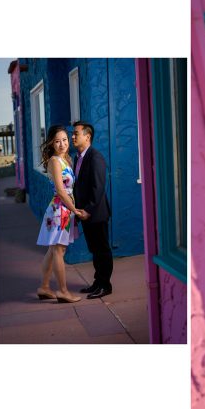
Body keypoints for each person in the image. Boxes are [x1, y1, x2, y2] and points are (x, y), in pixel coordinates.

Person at [36, 125, 82, 303]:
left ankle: (44, 287)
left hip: (64, 209)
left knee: (54, 249)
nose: (62, 144)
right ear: (51, 143)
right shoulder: (55, 161)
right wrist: (75, 210)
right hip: (60, 209)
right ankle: (63, 291)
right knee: (58, 250)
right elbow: (61, 192)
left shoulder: (66, 159)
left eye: (64, 140)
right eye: (57, 141)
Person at [71, 122, 114, 299]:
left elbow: (98, 188)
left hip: (95, 213)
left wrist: (87, 210)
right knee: (95, 250)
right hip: (85, 213)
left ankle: (106, 285)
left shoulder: (95, 157)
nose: (72, 137)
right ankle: (98, 282)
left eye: (76, 134)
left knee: (102, 250)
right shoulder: (78, 158)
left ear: (87, 137)